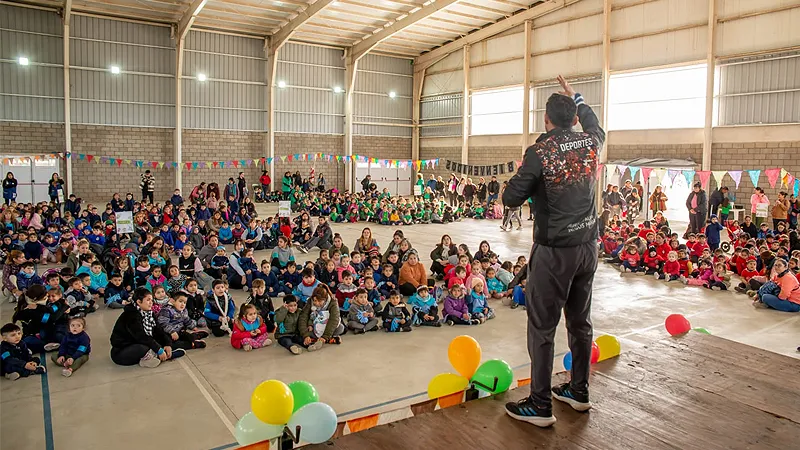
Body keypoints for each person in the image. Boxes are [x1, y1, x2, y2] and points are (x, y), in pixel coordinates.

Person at [502, 75, 604, 427]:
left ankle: (541, 404)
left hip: (554, 250)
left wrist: (528, 177)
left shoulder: (540, 152)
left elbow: (511, 197)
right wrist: (575, 96)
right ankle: (578, 390)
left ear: (546, 120)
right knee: (580, 321)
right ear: (574, 118)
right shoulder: (591, 143)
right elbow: (594, 123)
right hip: (588, 246)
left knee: (542, 327)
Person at [109, 288, 185, 368]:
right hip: (122, 351)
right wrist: (159, 349)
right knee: (143, 347)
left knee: (163, 338)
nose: (151, 303)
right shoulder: (130, 315)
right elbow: (141, 337)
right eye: (148, 300)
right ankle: (159, 356)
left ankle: (159, 355)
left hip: (139, 342)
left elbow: (159, 330)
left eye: (152, 300)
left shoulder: (149, 313)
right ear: (139, 302)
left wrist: (167, 344)